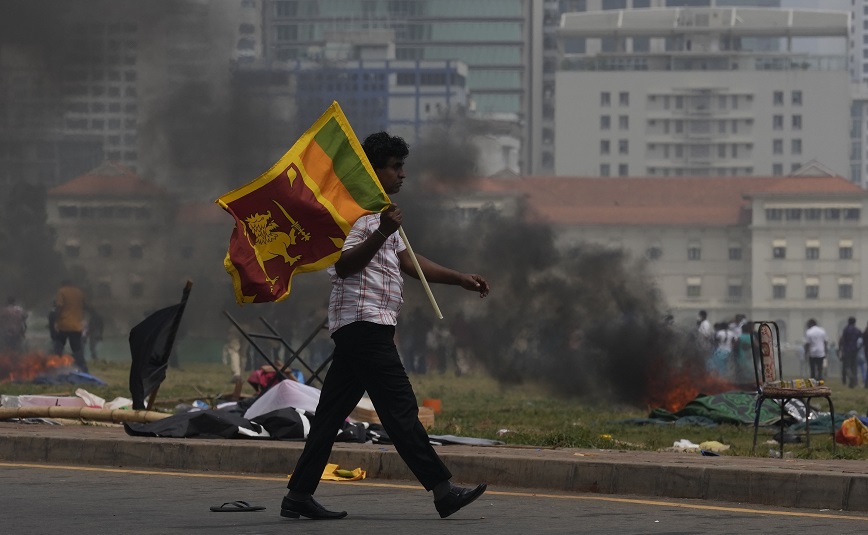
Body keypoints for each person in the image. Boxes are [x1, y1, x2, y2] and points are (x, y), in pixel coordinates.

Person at [280, 132, 490, 521]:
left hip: (363, 327)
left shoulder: (380, 211)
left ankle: (298, 495)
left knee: (330, 415)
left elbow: (408, 261)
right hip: (364, 325)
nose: (402, 174)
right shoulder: (357, 213)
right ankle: (443, 491)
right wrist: (381, 231)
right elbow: (343, 266)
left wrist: (458, 277)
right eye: (394, 167)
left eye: (402, 166)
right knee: (399, 410)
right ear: (372, 171)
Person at [53, 280, 88, 373]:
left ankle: (56, 368)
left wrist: (56, 320)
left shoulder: (61, 291)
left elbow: (59, 306)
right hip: (76, 326)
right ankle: (83, 369)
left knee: (58, 347)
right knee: (77, 349)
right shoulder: (79, 292)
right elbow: (85, 306)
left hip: (63, 324)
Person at [838, 317, 861, 388]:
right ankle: (854, 382)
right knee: (854, 366)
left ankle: (850, 377)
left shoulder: (846, 330)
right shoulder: (857, 330)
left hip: (847, 350)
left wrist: (841, 350)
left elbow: (843, 340)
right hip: (855, 350)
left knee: (847, 366)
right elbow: (860, 340)